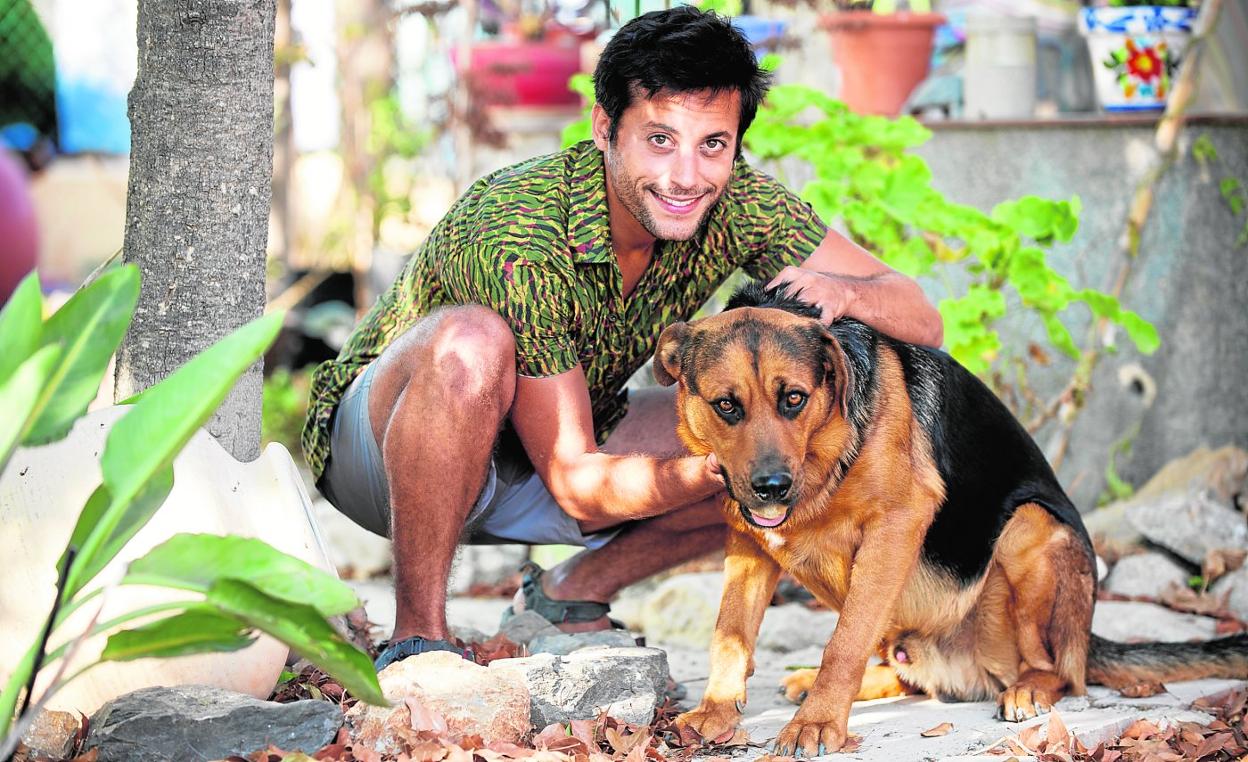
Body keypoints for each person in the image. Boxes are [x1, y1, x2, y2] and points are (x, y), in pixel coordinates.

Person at [301, 5, 943, 671]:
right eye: (659, 140)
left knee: (783, 424)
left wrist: (849, 294)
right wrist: (720, 467)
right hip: (385, 453)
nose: (685, 177)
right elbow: (580, 485)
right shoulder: (519, 228)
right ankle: (419, 641)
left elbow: (922, 318)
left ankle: (568, 596)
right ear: (605, 128)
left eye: (712, 145)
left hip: (551, 441)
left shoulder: (737, 203)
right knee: (474, 342)